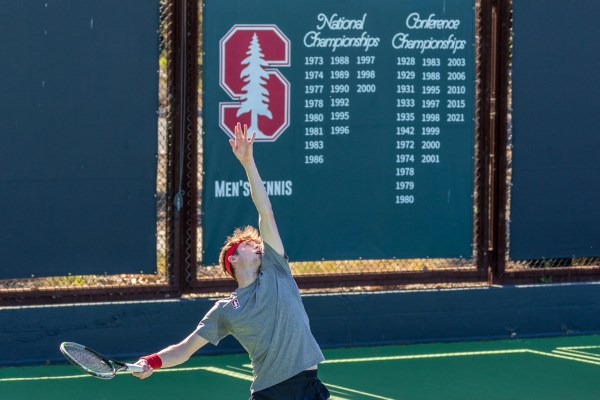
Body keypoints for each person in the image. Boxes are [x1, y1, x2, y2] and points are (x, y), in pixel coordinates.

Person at [133, 122, 330, 400]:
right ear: (233, 258)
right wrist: (150, 361)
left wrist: (248, 163)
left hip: (308, 386)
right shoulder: (225, 310)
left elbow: (266, 212)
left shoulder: (276, 268)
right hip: (269, 392)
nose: (259, 246)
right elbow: (186, 348)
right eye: (251, 244)